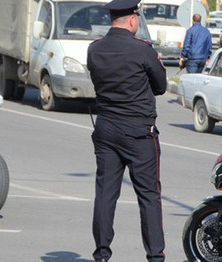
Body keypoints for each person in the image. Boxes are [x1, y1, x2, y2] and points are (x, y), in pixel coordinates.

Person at [87, 0, 167, 261]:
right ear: (132, 20)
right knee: (149, 197)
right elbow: (161, 86)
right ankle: (155, 257)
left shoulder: (95, 49)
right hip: (138, 132)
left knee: (105, 195)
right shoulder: (142, 50)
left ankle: (101, 255)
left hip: (106, 128)